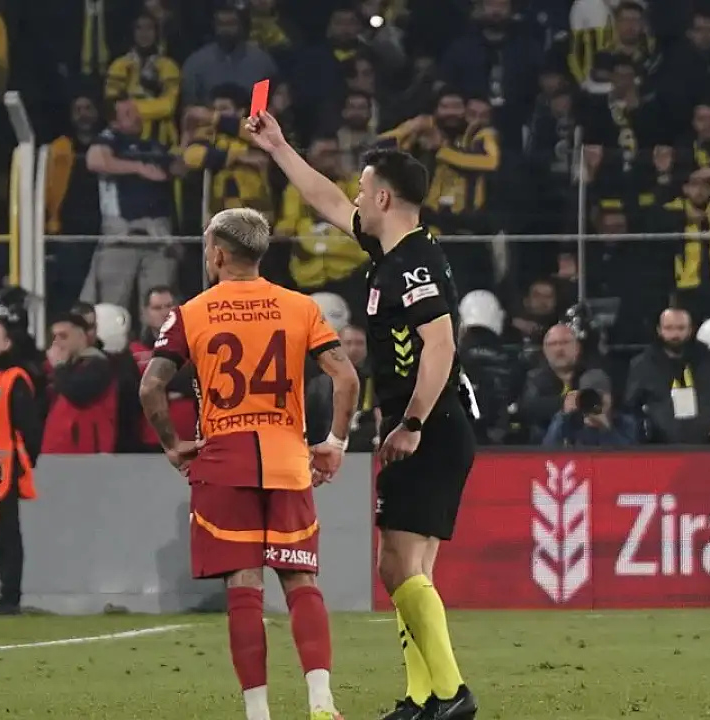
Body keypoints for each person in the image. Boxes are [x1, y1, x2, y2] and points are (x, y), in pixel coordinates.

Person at [247, 110, 480, 720]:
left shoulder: (414, 265)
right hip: (432, 425)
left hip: (430, 427)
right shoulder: (391, 248)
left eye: (362, 187)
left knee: (396, 565)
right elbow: (324, 198)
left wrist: (412, 424)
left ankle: (452, 693)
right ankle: (424, 698)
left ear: (383, 197)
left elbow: (440, 346)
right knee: (411, 568)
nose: (352, 196)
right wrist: (278, 146)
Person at [140, 207, 359, 720]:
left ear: (218, 253)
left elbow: (151, 385)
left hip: (224, 462)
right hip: (287, 457)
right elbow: (346, 378)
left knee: (244, 588)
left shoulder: (192, 312)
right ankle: (321, 701)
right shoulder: (300, 307)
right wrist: (335, 442)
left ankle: (258, 712)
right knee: (300, 580)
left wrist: (172, 444)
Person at [0, 316, 42, 615]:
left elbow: (30, 428)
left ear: (7, 343)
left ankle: (9, 597)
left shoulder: (14, 378)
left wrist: (25, 463)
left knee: (5, 536)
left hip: (4, 473)